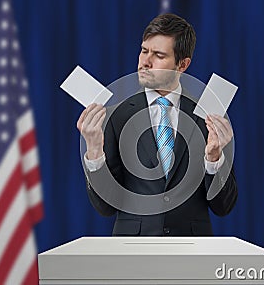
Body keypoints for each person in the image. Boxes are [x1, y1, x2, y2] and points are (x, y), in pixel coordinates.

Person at [77, 13, 237, 236]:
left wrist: (214, 159)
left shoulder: (209, 116)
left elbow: (223, 206)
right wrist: (94, 152)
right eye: (144, 51)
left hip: (192, 255)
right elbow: (105, 207)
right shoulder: (116, 115)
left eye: (159, 55)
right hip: (132, 254)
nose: (145, 62)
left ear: (182, 65)